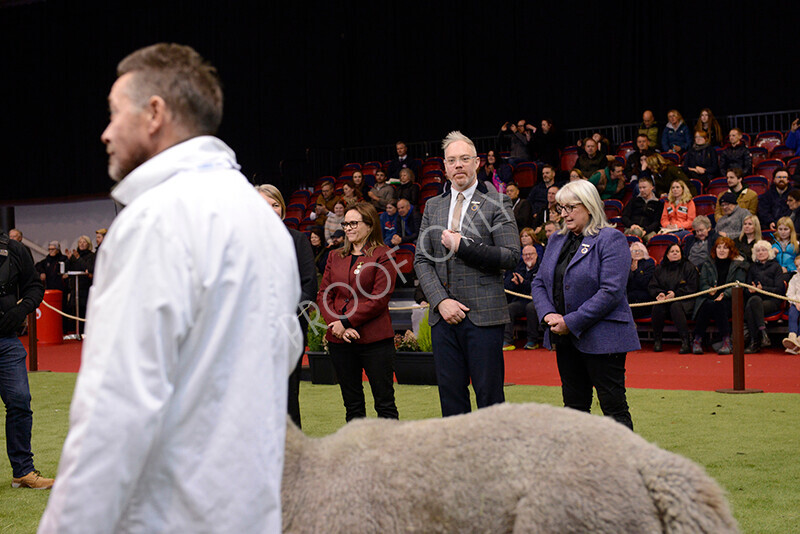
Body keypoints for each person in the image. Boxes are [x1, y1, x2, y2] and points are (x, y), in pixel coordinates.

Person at [38, 43, 301, 533]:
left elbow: (114, 410)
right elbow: (281, 355)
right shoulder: (263, 222)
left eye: (116, 113)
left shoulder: (154, 220)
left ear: (155, 112)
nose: (106, 131)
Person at [414, 131, 519, 417]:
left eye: (464, 159)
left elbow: (511, 256)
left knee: (489, 399)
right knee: (450, 399)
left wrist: (463, 246)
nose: (458, 165)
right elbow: (422, 259)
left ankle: (491, 461)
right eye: (452, 160)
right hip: (443, 319)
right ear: (445, 168)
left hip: (484, 316)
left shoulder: (498, 202)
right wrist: (440, 301)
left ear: (477, 163)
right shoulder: (433, 206)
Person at [531, 180, 639, 431]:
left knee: (613, 407)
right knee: (574, 406)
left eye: (571, 207)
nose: (565, 213)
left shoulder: (612, 239)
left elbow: (611, 291)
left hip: (603, 337)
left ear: (589, 206)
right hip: (564, 337)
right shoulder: (557, 240)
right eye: (561, 208)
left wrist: (570, 321)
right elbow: (539, 282)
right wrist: (548, 314)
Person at [317, 202, 398, 422]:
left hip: (375, 341)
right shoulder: (334, 256)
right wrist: (338, 326)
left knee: (385, 404)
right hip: (340, 341)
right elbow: (324, 294)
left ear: (370, 225)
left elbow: (379, 298)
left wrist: (346, 322)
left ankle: (392, 454)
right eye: (346, 224)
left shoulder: (383, 255)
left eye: (354, 223)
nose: (348, 228)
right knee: (352, 405)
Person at [256, 184, 318, 428]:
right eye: (264, 204)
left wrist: (284, 317)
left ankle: (291, 453)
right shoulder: (242, 241)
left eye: (275, 204)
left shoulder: (297, 239)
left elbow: (309, 285)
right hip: (253, 331)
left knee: (287, 393)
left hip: (288, 331)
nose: (271, 210)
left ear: (282, 209)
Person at [0, 232, 51, 489]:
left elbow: (34, 285)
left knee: (20, 401)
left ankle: (23, 471)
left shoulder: (15, 249)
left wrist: (22, 309)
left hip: (6, 341)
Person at [691, 237, 747, 355]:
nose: (721, 250)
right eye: (719, 247)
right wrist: (708, 290)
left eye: (725, 248)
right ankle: (697, 339)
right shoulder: (707, 263)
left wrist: (724, 294)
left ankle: (726, 340)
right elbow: (703, 283)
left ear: (731, 250)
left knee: (719, 305)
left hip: (730, 300)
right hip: (710, 297)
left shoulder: (738, 265)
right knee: (707, 304)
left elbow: (738, 284)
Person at [649, 244, 699, 353]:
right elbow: (652, 286)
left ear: (681, 254)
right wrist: (660, 293)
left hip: (685, 300)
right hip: (665, 300)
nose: (675, 253)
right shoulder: (660, 269)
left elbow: (692, 287)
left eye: (677, 251)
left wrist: (676, 294)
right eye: (672, 251)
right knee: (658, 306)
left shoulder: (689, 267)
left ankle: (685, 341)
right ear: (667, 255)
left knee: (675, 305)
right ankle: (657, 340)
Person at [743, 240, 784, 353]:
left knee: (751, 305)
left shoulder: (776, 267)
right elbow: (746, 288)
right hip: (756, 299)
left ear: (769, 252)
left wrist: (763, 289)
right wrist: (750, 290)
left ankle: (755, 341)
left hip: (772, 300)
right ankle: (763, 333)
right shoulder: (752, 268)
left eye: (763, 250)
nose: (760, 253)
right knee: (753, 301)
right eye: (758, 251)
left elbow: (780, 290)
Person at [502, 245, 540, 351]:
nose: (528, 257)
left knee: (531, 308)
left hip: (537, 302)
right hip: (521, 301)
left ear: (536, 254)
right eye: (525, 255)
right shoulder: (518, 268)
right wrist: (515, 283)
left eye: (530, 254)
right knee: (510, 308)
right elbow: (507, 287)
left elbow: (538, 287)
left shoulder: (542, 267)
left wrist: (523, 283)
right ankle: (507, 341)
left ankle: (532, 340)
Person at [63, 235, 95, 334]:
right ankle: (76, 331)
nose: (81, 244)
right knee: (73, 310)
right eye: (80, 242)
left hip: (85, 287)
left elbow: (88, 268)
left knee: (84, 310)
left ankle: (85, 331)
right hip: (74, 287)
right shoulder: (74, 255)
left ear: (88, 244)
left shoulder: (91, 256)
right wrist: (69, 259)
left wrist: (78, 258)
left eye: (84, 242)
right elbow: (67, 269)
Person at [621, 176, 663, 242]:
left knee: (652, 238)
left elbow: (656, 222)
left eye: (644, 187)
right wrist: (632, 225)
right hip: (632, 228)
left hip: (648, 230)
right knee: (637, 232)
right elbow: (624, 216)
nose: (642, 190)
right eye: (640, 188)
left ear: (652, 188)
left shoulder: (658, 203)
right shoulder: (633, 200)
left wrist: (646, 231)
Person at [627, 242, 655, 320]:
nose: (637, 253)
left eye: (640, 250)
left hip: (644, 298)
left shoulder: (649, 265)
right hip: (629, 297)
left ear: (644, 252)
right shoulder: (626, 265)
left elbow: (645, 284)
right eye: (634, 251)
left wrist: (636, 272)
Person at [781, 254, 800, 354]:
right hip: (796, 303)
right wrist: (795, 302)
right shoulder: (794, 278)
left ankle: (798, 341)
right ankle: (792, 336)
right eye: (797, 266)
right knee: (793, 312)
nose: (799, 268)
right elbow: (790, 293)